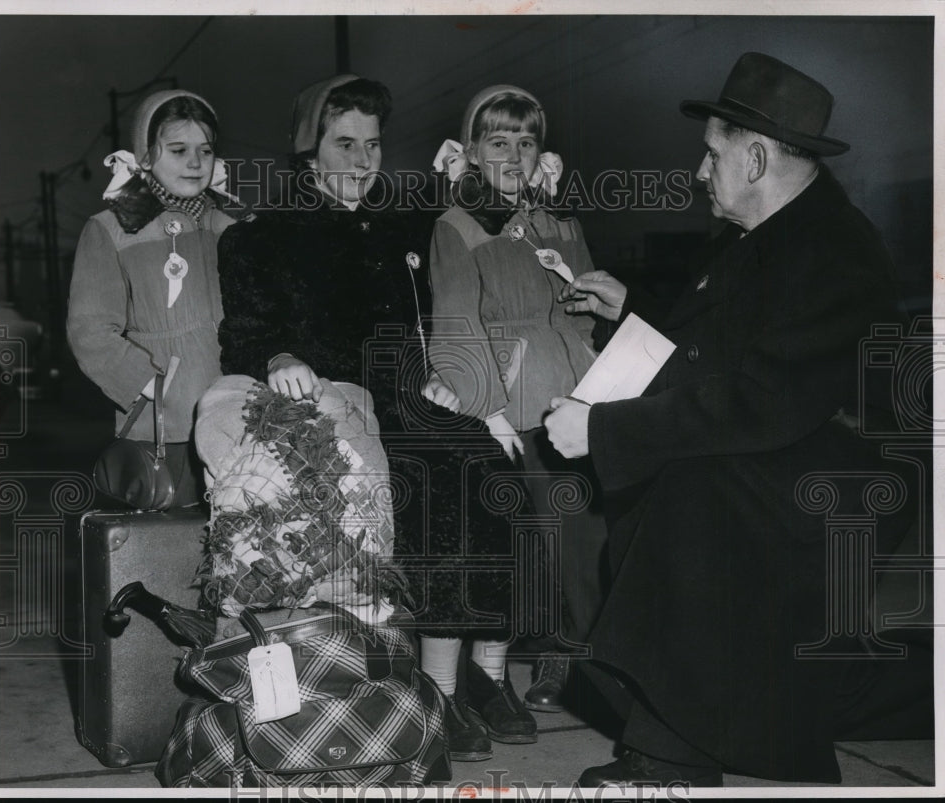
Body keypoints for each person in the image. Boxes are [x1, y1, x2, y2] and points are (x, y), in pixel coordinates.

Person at [545, 52, 932, 786]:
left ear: (755, 158)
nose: (699, 171)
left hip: (845, 483)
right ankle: (684, 720)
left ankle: (668, 757)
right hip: (789, 450)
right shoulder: (759, 239)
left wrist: (602, 431)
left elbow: (756, 400)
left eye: (712, 154)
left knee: (692, 490)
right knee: (843, 684)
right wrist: (626, 315)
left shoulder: (836, 252)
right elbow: (712, 362)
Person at [214, 75, 540, 762]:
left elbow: (472, 219)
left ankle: (487, 669)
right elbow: (242, 333)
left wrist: (519, 179)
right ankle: (437, 688)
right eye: (345, 144)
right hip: (335, 407)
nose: (364, 161)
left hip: (403, 395)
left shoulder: (393, 225)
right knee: (439, 479)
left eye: (373, 145)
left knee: (490, 459)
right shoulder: (260, 237)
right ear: (310, 152)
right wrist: (277, 356)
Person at [428, 85, 610, 714]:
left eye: (525, 143)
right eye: (498, 142)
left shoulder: (561, 222)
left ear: (542, 154)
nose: (513, 156)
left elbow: (584, 317)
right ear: (472, 151)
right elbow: (456, 325)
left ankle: (575, 654)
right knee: (545, 542)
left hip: (577, 395)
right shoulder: (456, 226)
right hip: (514, 402)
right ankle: (539, 658)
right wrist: (489, 410)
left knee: (590, 535)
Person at [68, 89, 239, 507]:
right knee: (172, 549)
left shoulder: (233, 224)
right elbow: (90, 330)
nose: (195, 163)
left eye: (206, 150)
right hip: (167, 424)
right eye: (178, 150)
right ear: (144, 156)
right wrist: (149, 384)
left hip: (237, 414)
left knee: (241, 546)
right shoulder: (113, 228)